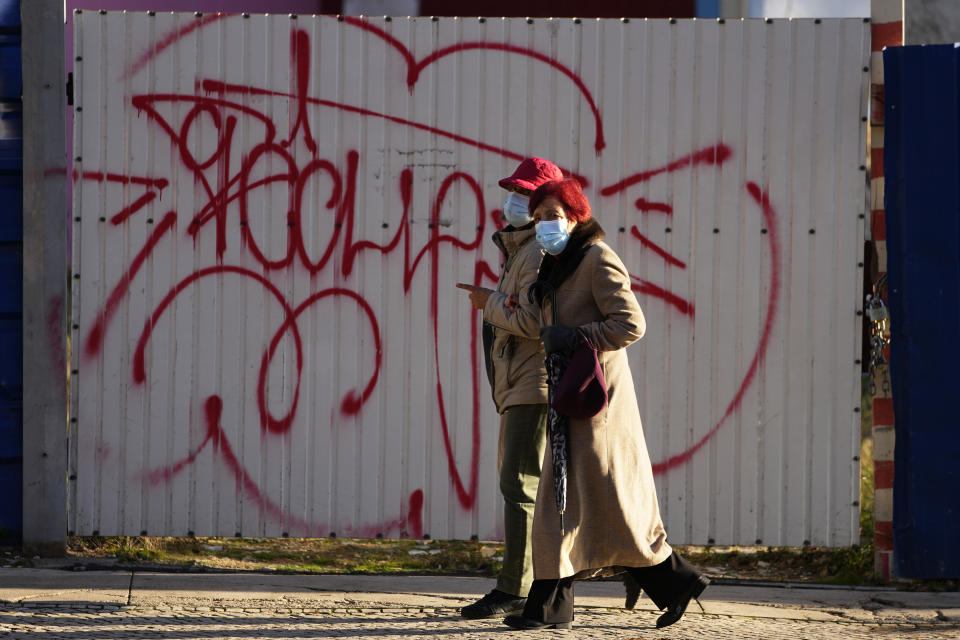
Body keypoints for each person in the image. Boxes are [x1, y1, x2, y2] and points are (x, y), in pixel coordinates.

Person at [502, 179, 709, 631]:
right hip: (570, 401)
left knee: (598, 501)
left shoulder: (596, 258)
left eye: (553, 215)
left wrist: (576, 337)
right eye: (538, 218)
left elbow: (631, 324)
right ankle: (555, 607)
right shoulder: (555, 264)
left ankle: (670, 583)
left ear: (576, 216)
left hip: (598, 403)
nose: (544, 225)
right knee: (569, 501)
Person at [454, 157, 563, 619]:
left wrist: (488, 303)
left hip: (532, 381)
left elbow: (536, 320)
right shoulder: (521, 250)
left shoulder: (537, 253)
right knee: (522, 485)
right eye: (514, 192)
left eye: (525, 194)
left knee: (519, 484)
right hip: (517, 379)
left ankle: (515, 587)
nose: (514, 201)